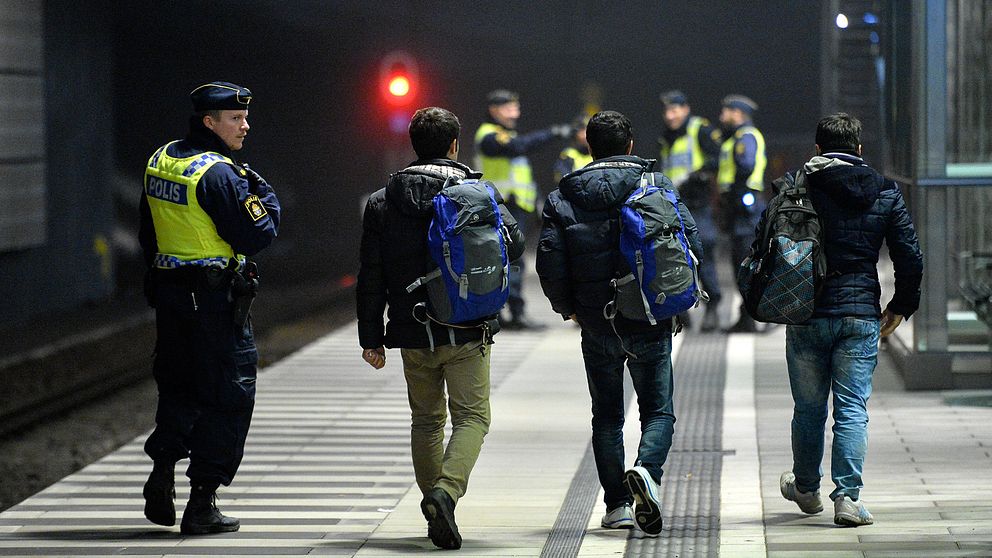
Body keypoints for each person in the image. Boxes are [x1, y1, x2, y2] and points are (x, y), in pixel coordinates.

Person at [358, 107, 525, 550]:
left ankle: (435, 506)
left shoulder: (382, 200)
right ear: (455, 145)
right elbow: (517, 243)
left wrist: (370, 337)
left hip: (412, 330)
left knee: (426, 421)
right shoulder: (477, 190)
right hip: (467, 326)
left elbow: (370, 275)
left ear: (415, 144)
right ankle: (445, 494)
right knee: (472, 416)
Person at [536, 111, 702, 536]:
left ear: (589, 147)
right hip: (649, 314)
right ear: (630, 144)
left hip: (596, 322)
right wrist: (679, 301)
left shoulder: (562, 197)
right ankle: (647, 471)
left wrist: (567, 308)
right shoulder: (655, 185)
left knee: (607, 417)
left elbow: (549, 264)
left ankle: (617, 506)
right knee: (658, 410)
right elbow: (689, 244)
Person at [138, 81, 281, 534]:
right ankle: (202, 503)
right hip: (216, 299)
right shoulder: (218, 174)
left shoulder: (161, 160)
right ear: (209, 122)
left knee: (178, 383)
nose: (245, 125)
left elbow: (148, 231)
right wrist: (264, 194)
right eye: (235, 118)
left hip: (172, 293)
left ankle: (161, 474)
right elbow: (257, 235)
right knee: (229, 393)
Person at [776, 113, 923, 526]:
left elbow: (767, 242)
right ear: (859, 150)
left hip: (805, 311)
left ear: (818, 150)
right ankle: (848, 498)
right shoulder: (884, 190)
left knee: (808, 409)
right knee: (852, 407)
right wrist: (900, 307)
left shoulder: (799, 185)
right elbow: (909, 255)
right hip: (860, 313)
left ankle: (805, 488)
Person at [474, 89, 571, 330]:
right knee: (509, 259)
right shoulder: (490, 136)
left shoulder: (506, 134)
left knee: (509, 259)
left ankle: (506, 312)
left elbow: (522, 174)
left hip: (516, 205)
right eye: (509, 107)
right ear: (494, 110)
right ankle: (510, 314)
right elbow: (519, 147)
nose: (515, 111)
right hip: (500, 206)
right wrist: (553, 132)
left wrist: (537, 204)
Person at [657, 90, 723, 331]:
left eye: (674, 110)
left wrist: (696, 175)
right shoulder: (667, 136)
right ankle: (681, 309)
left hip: (697, 203)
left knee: (701, 250)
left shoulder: (700, 129)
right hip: (672, 204)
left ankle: (713, 304)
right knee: (673, 257)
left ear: (686, 109)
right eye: (666, 111)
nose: (669, 115)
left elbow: (716, 158)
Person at [717, 94, 767, 333]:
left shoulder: (745, 137)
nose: (722, 116)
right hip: (738, 208)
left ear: (737, 113)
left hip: (746, 208)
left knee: (745, 262)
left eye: (725, 111)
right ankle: (747, 316)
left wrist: (737, 190)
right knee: (740, 263)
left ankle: (754, 315)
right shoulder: (736, 137)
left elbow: (745, 165)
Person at [552, 114, 594, 183]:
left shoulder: (601, 153)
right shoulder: (569, 154)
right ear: (575, 133)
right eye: (582, 130)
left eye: (589, 129)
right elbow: (563, 179)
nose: (586, 134)